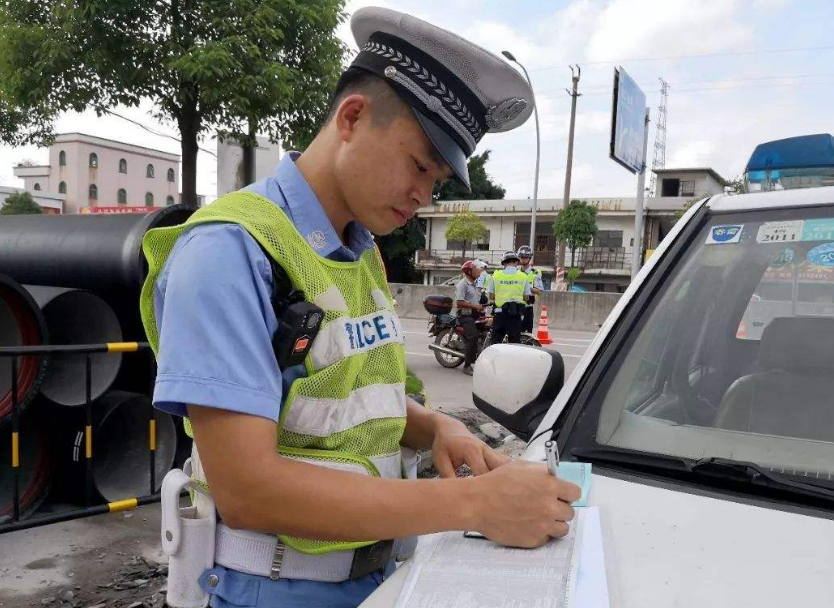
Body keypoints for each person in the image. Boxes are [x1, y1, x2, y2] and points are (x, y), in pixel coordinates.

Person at [140, 7, 580, 608]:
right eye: (419, 164)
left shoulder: (359, 250)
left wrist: (436, 427)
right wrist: (474, 504)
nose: (424, 195)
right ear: (352, 117)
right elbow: (248, 489)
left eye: (439, 180)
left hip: (379, 577)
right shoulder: (228, 251)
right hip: (267, 589)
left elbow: (348, 391)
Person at [488, 250, 531, 345]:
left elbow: (491, 296)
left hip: (499, 315)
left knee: (496, 345)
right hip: (515, 316)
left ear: (503, 263)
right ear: (516, 262)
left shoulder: (496, 275)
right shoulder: (523, 276)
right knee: (514, 345)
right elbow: (526, 298)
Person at [455, 261, 484, 376]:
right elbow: (459, 302)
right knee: (473, 336)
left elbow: (477, 300)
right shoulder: (463, 284)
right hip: (465, 315)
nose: (479, 271)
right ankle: (467, 365)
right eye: (476, 269)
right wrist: (475, 306)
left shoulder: (475, 284)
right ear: (469, 272)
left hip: (474, 314)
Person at [517, 245, 544, 333]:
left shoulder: (535, 273)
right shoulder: (515, 272)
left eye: (526, 257)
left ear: (529, 258)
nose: (524, 259)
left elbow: (539, 291)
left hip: (527, 307)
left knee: (527, 335)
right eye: (522, 257)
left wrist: (526, 287)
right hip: (515, 305)